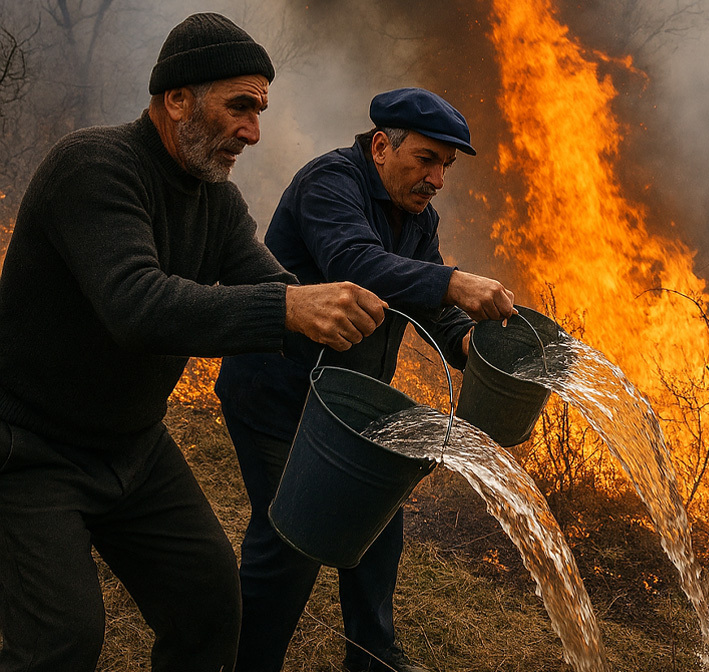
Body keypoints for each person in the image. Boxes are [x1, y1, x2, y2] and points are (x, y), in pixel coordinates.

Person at [0, 13, 386, 672]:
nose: (254, 132)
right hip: (29, 450)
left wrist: (345, 330)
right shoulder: (93, 167)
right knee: (62, 642)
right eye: (240, 106)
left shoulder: (218, 201)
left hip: (134, 448)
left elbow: (273, 295)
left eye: (260, 111)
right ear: (176, 97)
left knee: (209, 609)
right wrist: (290, 306)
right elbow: (138, 307)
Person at [215, 88, 515, 672]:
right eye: (427, 159)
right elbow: (353, 263)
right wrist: (454, 282)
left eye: (445, 167)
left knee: (379, 521)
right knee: (289, 541)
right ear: (382, 146)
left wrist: (467, 342)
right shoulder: (330, 183)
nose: (437, 180)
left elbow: (424, 293)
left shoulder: (417, 214)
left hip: (349, 400)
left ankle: (373, 657)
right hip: (276, 390)